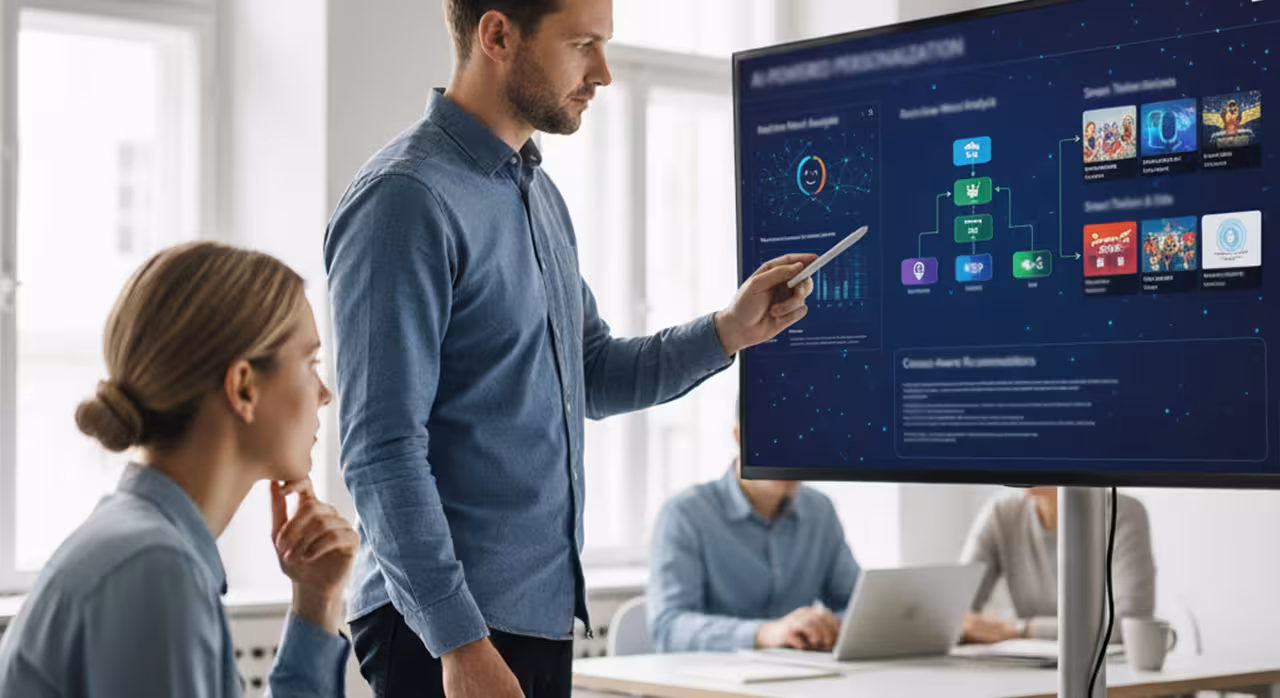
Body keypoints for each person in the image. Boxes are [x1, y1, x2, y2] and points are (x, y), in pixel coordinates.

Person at [323, 0, 816, 695]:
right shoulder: (405, 199)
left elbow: (592, 371)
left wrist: (729, 329)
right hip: (443, 632)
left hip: (537, 620)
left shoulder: (540, 196)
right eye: (583, 44)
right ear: (497, 35)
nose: (605, 73)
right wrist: (459, 641)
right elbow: (379, 452)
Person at [0, 242, 358, 697]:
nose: (325, 393)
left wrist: (316, 601)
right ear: (244, 387)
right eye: (311, 364)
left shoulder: (148, 548)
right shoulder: (154, 568)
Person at [647, 415, 859, 653]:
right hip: (713, 679)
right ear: (740, 437)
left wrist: (832, 627)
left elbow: (856, 603)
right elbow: (669, 628)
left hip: (799, 675)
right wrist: (766, 633)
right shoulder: (685, 515)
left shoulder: (820, 510)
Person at [959, 487, 1156, 644]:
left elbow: (1129, 624)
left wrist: (1019, 629)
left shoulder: (1123, 514)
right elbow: (958, 614)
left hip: (1104, 672)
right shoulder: (1001, 512)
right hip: (1026, 667)